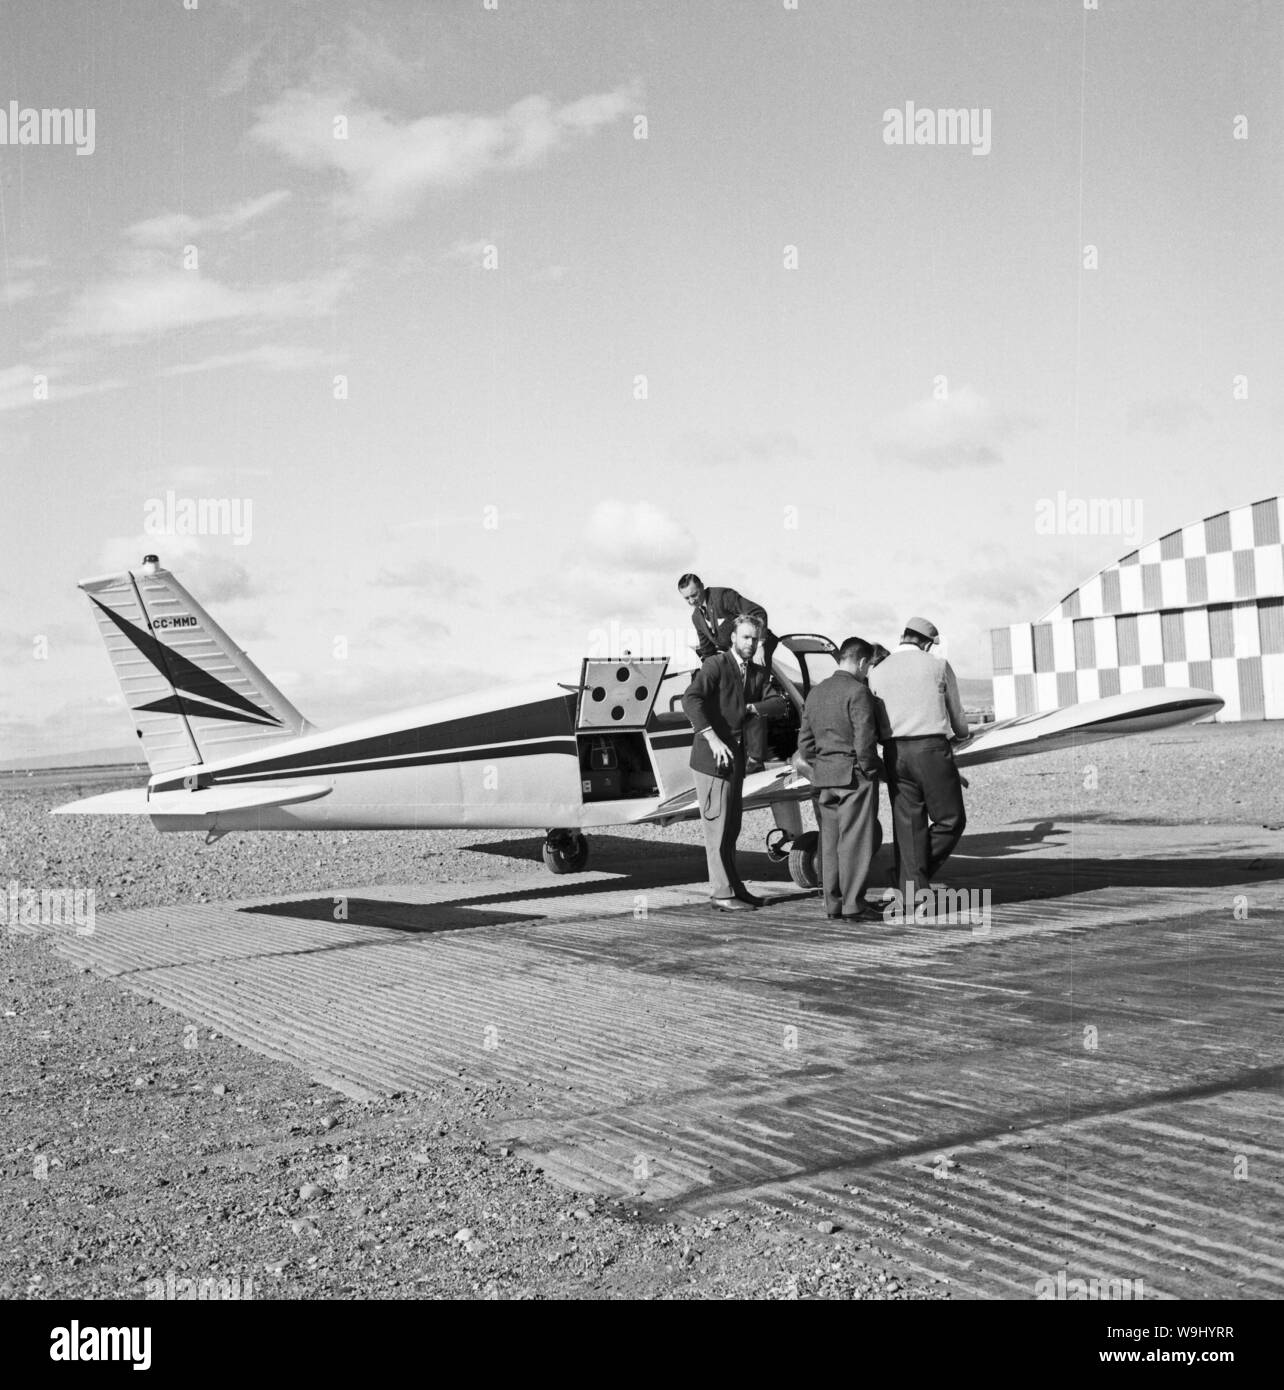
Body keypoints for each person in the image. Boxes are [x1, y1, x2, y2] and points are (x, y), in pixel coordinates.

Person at [868, 617, 970, 910]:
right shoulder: (938, 666)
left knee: (908, 826)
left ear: (902, 637)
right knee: (950, 819)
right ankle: (909, 878)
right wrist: (963, 734)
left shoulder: (877, 671)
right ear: (927, 643)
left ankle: (911, 891)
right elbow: (957, 714)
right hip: (930, 749)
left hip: (893, 752)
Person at [681, 614, 774, 911]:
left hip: (735, 761)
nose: (751, 643)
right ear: (733, 637)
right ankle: (722, 893)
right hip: (711, 760)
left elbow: (778, 703)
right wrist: (712, 738)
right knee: (716, 831)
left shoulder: (756, 672)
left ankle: (734, 887)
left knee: (731, 829)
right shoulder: (716, 665)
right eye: (746, 637)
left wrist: (751, 707)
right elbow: (690, 700)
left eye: (755, 638)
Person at [797, 637, 885, 920]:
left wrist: (821, 766)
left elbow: (805, 745)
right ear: (861, 662)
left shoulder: (816, 692)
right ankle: (854, 905)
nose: (867, 670)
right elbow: (865, 742)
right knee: (856, 842)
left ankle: (832, 904)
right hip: (853, 778)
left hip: (824, 778)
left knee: (831, 844)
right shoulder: (858, 691)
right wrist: (871, 771)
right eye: (868, 665)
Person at [677, 573, 779, 771]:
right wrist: (710, 671)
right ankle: (741, 750)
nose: (692, 601)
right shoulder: (696, 617)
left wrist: (760, 646)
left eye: (694, 595)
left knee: (754, 696)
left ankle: (756, 759)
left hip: (755, 646)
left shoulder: (722, 596)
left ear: (702, 587)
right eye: (687, 598)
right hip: (734, 653)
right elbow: (707, 649)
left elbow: (758, 612)